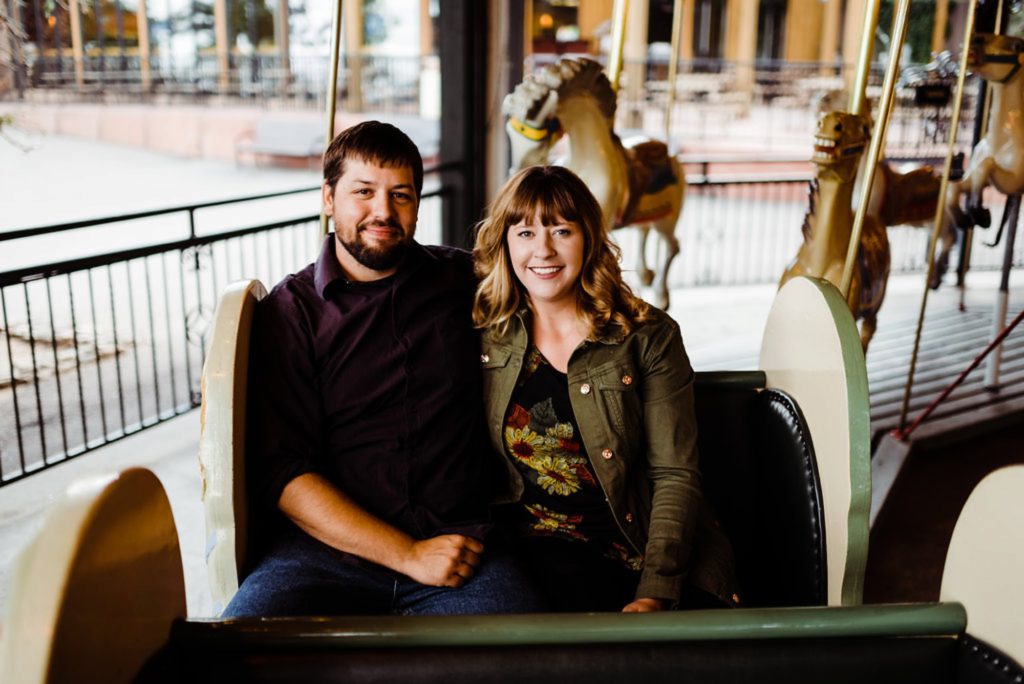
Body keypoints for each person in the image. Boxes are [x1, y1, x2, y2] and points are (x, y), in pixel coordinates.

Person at [224, 121, 542, 617]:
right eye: (364, 192)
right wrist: (408, 555)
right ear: (329, 197)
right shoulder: (292, 312)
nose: (383, 212)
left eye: (401, 195)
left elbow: (557, 285)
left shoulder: (466, 280)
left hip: (462, 544)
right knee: (236, 654)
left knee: (536, 659)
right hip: (322, 555)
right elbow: (284, 474)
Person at [472, 165, 738, 612]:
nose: (543, 250)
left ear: (589, 238)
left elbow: (675, 473)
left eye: (561, 230)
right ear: (504, 243)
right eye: (525, 234)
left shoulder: (647, 335)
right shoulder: (484, 333)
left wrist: (655, 589)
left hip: (638, 545)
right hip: (536, 553)